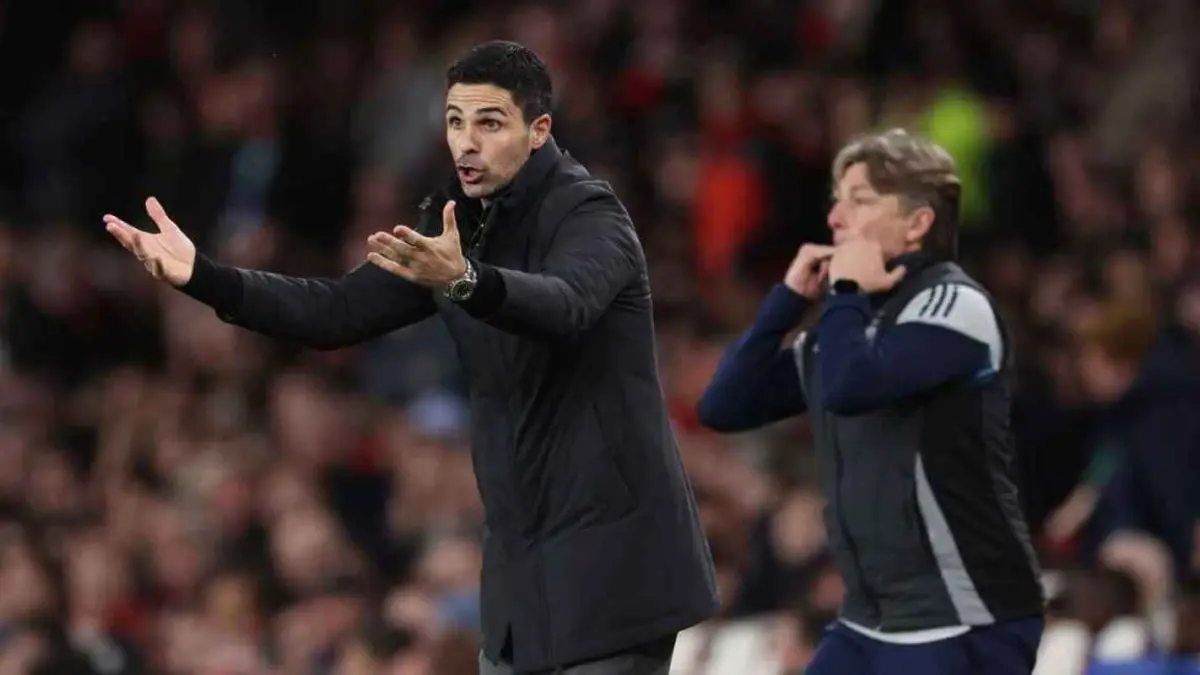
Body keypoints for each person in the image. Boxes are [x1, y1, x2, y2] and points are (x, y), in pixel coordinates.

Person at [103, 41, 718, 675]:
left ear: (538, 131)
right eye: (455, 121)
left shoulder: (590, 213)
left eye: (489, 123)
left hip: (615, 573)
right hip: (521, 580)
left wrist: (467, 281)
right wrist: (204, 277)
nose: (466, 143)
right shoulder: (456, 221)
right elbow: (337, 311)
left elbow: (565, 305)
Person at [697, 129, 1044, 674]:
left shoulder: (956, 306)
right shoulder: (848, 328)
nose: (835, 218)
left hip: (963, 617)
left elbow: (850, 387)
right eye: (836, 200)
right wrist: (787, 303)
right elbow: (724, 405)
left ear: (917, 223)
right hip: (870, 621)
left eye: (859, 201)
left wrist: (845, 292)